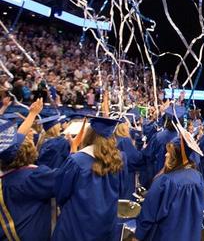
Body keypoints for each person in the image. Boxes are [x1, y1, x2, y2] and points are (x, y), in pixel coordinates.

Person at [53, 116, 128, 241]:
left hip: (77, 225)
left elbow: (61, 194)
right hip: (106, 224)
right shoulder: (119, 159)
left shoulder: (76, 161)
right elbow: (122, 190)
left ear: (89, 135)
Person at [132, 125, 204, 241]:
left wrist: (138, 236)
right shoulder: (198, 177)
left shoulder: (165, 181)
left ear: (177, 158)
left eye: (169, 153)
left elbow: (148, 216)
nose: (166, 155)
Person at [0, 99, 57, 241]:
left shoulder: (6, 179)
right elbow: (68, 177)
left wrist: (32, 115)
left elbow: (12, 147)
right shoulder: (34, 177)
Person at [116, 120, 145, 200]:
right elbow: (135, 158)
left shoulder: (115, 139)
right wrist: (143, 150)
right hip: (126, 174)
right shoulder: (125, 140)